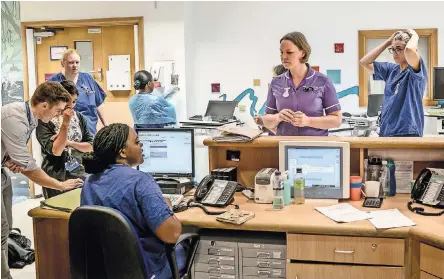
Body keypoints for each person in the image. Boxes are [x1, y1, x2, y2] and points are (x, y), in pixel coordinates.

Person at [80, 123, 186, 278]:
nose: (141, 145)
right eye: (137, 142)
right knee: (190, 247)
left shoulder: (89, 182)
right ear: (122, 152)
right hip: (145, 269)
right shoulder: (141, 181)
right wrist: (166, 206)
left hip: (104, 270)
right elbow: (172, 234)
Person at [1, 82, 83, 279]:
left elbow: (15, 153)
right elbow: (29, 168)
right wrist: (59, 184)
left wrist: (8, 159)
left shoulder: (32, 118)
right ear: (45, 105)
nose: (58, 114)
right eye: (58, 110)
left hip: (2, 171)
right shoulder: (14, 117)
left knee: (5, 229)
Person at [261, 32, 342, 136]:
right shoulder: (276, 82)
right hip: (284, 145)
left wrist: (308, 121)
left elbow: (337, 120)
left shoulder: (323, 81)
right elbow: (267, 120)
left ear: (303, 53)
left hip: (315, 147)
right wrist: (278, 117)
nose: (283, 57)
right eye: (281, 52)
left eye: (289, 52)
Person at [359, 29, 427, 137]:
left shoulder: (416, 69)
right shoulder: (391, 69)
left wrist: (414, 34)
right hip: (387, 131)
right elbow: (364, 62)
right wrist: (388, 42)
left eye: (399, 49)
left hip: (407, 132)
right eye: (393, 49)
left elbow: (410, 50)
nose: (395, 52)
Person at [36, 80, 94, 199]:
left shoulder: (79, 117)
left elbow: (90, 145)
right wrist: (65, 123)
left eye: (74, 101)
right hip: (55, 174)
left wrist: (69, 143)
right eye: (68, 102)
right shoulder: (46, 119)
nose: (71, 106)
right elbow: (56, 150)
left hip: (79, 171)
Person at [47, 49, 107, 135]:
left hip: (89, 131)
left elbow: (99, 104)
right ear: (62, 63)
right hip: (64, 132)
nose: (75, 65)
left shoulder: (88, 79)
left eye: (77, 62)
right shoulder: (53, 83)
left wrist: (106, 125)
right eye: (71, 63)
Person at [254, 64, 287, 135]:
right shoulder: (275, 96)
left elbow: (283, 134)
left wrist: (263, 122)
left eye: (275, 78)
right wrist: (264, 123)